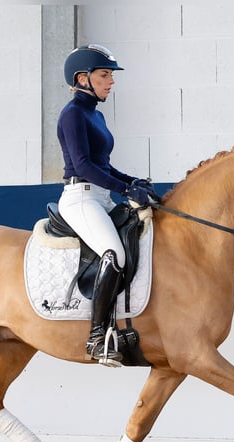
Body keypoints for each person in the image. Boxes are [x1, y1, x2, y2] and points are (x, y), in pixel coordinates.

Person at [57, 44, 156, 367]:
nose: (110, 82)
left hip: (101, 196)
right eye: (104, 75)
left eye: (110, 76)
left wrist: (133, 181)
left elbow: (104, 165)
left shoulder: (94, 115)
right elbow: (84, 166)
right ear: (82, 78)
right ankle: (97, 337)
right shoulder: (72, 114)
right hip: (81, 198)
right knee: (114, 254)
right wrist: (125, 187)